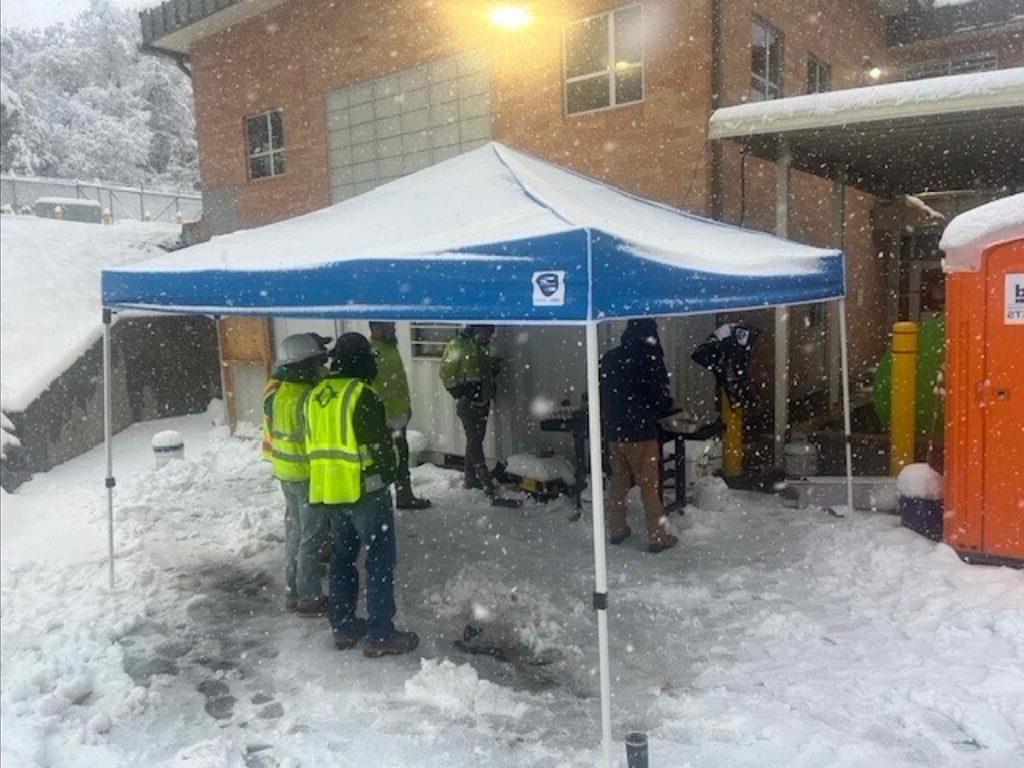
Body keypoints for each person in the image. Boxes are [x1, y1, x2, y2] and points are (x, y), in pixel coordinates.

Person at [305, 333, 419, 656]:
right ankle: (381, 633)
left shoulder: (316, 395)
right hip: (366, 493)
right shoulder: (362, 395)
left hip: (330, 494)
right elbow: (381, 447)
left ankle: (343, 627)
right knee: (380, 561)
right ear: (362, 360)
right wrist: (396, 472)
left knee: (343, 559)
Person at [263, 333, 330, 615]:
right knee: (310, 538)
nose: (321, 366)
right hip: (305, 475)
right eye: (317, 361)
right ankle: (309, 598)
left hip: (285, 472)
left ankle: (293, 591)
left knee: (295, 533)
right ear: (303, 364)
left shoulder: (278, 392)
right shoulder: (307, 397)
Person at [599, 318, 678, 553]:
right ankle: (657, 537)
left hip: (615, 432)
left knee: (618, 482)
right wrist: (663, 408)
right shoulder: (650, 359)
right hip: (641, 433)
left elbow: (601, 394)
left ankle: (616, 529)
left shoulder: (610, 358)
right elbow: (660, 399)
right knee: (649, 486)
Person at [440, 325, 515, 507]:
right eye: (488, 333)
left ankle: (470, 477)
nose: (489, 337)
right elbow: (446, 373)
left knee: (476, 439)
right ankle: (486, 485)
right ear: (477, 330)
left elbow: (478, 370)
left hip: (482, 400)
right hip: (468, 402)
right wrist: (462, 391)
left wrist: (491, 369)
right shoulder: (458, 345)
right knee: (474, 440)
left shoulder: (481, 346)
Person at [368, 322, 431, 510]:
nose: (393, 330)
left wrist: (406, 407)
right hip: (384, 418)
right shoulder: (373, 353)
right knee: (385, 460)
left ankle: (404, 495)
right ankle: (383, 500)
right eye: (389, 327)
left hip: (398, 415)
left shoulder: (390, 348)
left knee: (401, 456)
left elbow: (398, 382)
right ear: (376, 329)